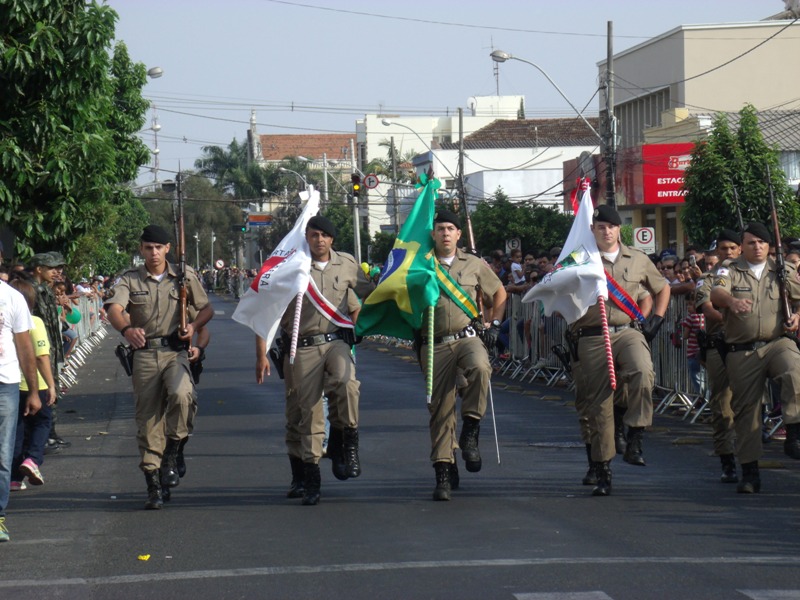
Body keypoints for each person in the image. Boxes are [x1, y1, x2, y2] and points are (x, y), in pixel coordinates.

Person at [255, 215, 372, 506]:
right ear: (306, 237)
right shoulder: (291, 267)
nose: (319, 239)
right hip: (301, 347)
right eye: (314, 234)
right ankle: (310, 475)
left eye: (324, 235)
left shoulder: (346, 264)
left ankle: (347, 443)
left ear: (332, 239)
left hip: (336, 342)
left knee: (347, 384)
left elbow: (365, 298)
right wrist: (261, 353)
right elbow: (267, 310)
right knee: (307, 413)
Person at [105, 225, 213, 510]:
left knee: (182, 395)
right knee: (148, 419)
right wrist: (127, 329)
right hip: (144, 354)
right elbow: (113, 309)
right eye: (148, 247)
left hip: (174, 352)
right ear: (141, 249)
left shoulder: (184, 277)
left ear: (168, 248)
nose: (153, 253)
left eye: (158, 247)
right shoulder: (130, 280)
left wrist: (193, 328)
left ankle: (174, 451)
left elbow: (206, 310)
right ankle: (153, 484)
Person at [568, 205, 670, 497]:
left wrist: (657, 320)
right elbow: (556, 288)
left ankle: (636, 434)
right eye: (600, 226)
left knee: (642, 372)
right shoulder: (579, 260)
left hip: (626, 330)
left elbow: (662, 288)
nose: (606, 231)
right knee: (599, 405)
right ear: (593, 229)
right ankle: (603, 469)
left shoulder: (637, 259)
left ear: (618, 230)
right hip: (591, 336)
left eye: (611, 226)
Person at [418, 210, 506, 501]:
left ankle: (470, 429)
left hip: (468, 336)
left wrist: (492, 323)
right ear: (433, 233)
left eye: (450, 228)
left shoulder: (474, 264)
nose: (445, 233)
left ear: (458, 234)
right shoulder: (419, 263)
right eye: (440, 228)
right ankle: (444, 470)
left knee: (481, 367)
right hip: (434, 344)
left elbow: (500, 294)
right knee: (441, 411)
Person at [709, 222, 800, 493]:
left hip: (777, 342)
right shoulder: (730, 268)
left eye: (762, 242)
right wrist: (731, 302)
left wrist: (797, 317)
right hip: (742, 350)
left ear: (770, 246)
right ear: (743, 246)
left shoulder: (783, 270)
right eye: (751, 242)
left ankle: (794, 430)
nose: (757, 247)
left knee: (794, 369)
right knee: (747, 412)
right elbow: (716, 292)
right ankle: (749, 471)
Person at [694, 228, 741, 483]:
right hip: (719, 345)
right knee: (723, 406)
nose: (729, 252)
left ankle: (749, 456)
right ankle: (727, 458)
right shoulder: (707, 279)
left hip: (748, 346)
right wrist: (736, 320)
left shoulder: (749, 275)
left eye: (733, 248)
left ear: (740, 249)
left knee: (749, 404)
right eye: (723, 248)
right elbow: (708, 309)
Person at [0, 277, 40, 542]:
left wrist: (34, 391)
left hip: (6, 385)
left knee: (3, 455)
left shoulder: (12, 297)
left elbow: (25, 347)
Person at [9, 278, 57, 491]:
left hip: (11, 384)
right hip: (34, 384)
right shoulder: (34, 322)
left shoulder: (5, 323)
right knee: (43, 422)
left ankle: (14, 478)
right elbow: (41, 357)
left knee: (17, 431)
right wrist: (51, 385)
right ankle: (33, 460)